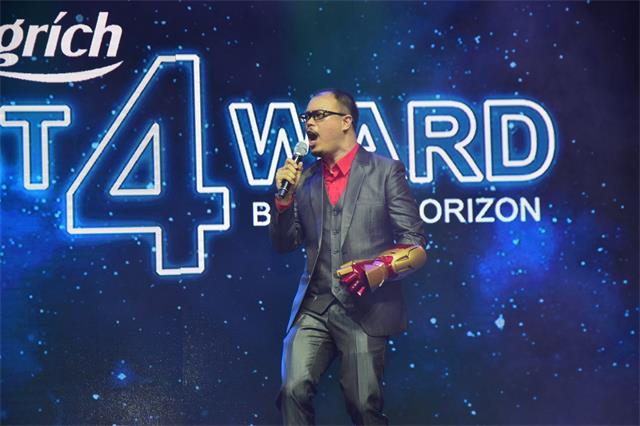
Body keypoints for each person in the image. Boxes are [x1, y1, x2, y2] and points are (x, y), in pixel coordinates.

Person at [269, 88, 427, 425]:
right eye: (306, 117)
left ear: (346, 121)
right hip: (314, 308)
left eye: (318, 115)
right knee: (293, 389)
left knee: (362, 405)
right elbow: (284, 243)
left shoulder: (384, 171)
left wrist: (376, 268)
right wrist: (283, 201)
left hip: (364, 309)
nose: (308, 123)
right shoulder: (304, 179)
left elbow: (414, 243)